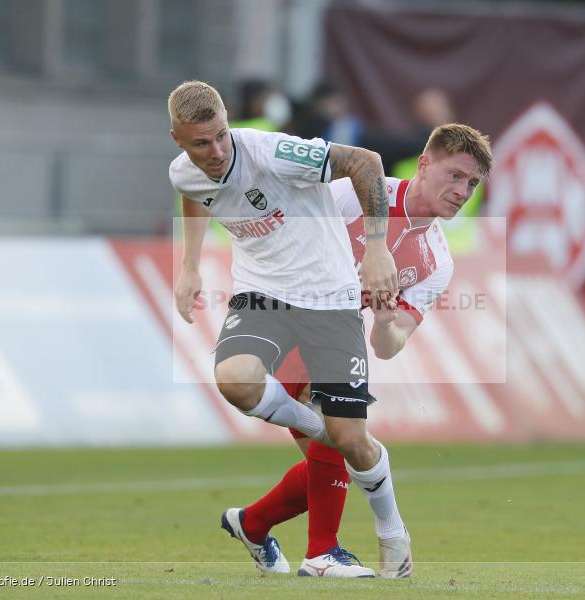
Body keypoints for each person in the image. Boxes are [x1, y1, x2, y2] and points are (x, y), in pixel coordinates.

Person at [226, 124, 493, 577]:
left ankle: (253, 523)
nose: (463, 191)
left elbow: (389, 347)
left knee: (342, 446)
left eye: (472, 184)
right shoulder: (358, 193)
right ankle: (323, 552)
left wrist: (388, 321)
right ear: (424, 163)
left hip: (334, 334)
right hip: (284, 307)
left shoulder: (438, 262)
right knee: (335, 419)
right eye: (455, 176)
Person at [167, 81, 409, 578]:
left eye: (220, 137)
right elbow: (194, 192)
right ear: (178, 140)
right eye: (199, 144)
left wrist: (379, 248)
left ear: (228, 121)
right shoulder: (184, 171)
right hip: (262, 296)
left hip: (329, 299)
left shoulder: (272, 151)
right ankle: (322, 551)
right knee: (234, 378)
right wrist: (190, 265)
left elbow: (365, 162)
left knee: (353, 441)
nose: (214, 152)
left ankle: (392, 533)